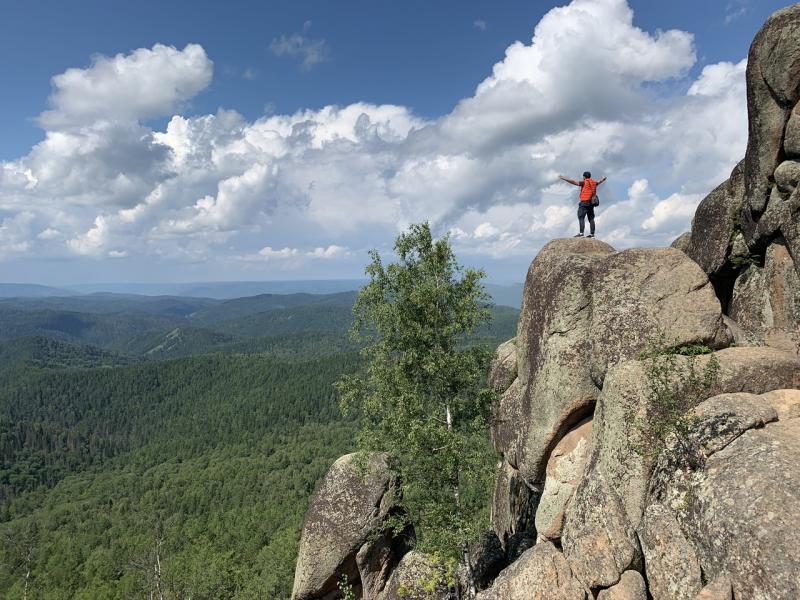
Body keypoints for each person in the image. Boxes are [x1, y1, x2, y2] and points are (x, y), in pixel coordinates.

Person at [558, 171, 607, 238]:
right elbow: (598, 182)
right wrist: (603, 179)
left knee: (581, 217)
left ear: (584, 177)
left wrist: (563, 178)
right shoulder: (593, 183)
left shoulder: (584, 182)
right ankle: (592, 234)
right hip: (591, 203)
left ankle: (581, 233)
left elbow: (573, 182)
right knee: (591, 219)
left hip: (584, 203)